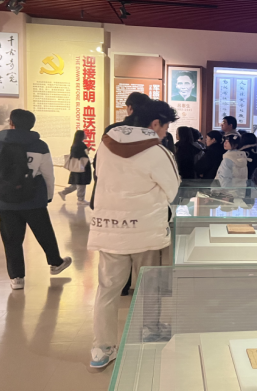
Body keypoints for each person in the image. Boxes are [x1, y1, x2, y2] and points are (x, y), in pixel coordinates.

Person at [88, 100, 180, 369]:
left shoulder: (105, 144)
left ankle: (102, 348)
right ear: (155, 123)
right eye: (165, 128)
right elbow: (172, 189)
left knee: (107, 290)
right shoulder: (158, 152)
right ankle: (150, 330)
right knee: (148, 285)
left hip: (108, 228)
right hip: (145, 230)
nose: (164, 133)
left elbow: (100, 177)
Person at [0, 109, 72, 290]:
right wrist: (48, 196)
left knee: (11, 239)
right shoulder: (40, 146)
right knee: (44, 232)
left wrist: (1, 186)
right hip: (33, 197)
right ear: (31, 125)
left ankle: (16, 278)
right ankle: (56, 263)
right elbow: (48, 174)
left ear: (11, 123)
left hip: (5, 200)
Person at [58, 130, 92, 205]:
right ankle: (80, 199)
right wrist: (86, 151)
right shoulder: (80, 144)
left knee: (76, 183)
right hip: (81, 167)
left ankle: (63, 192)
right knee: (81, 183)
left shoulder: (75, 144)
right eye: (84, 134)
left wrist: (86, 151)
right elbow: (80, 155)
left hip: (77, 167)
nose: (86, 135)